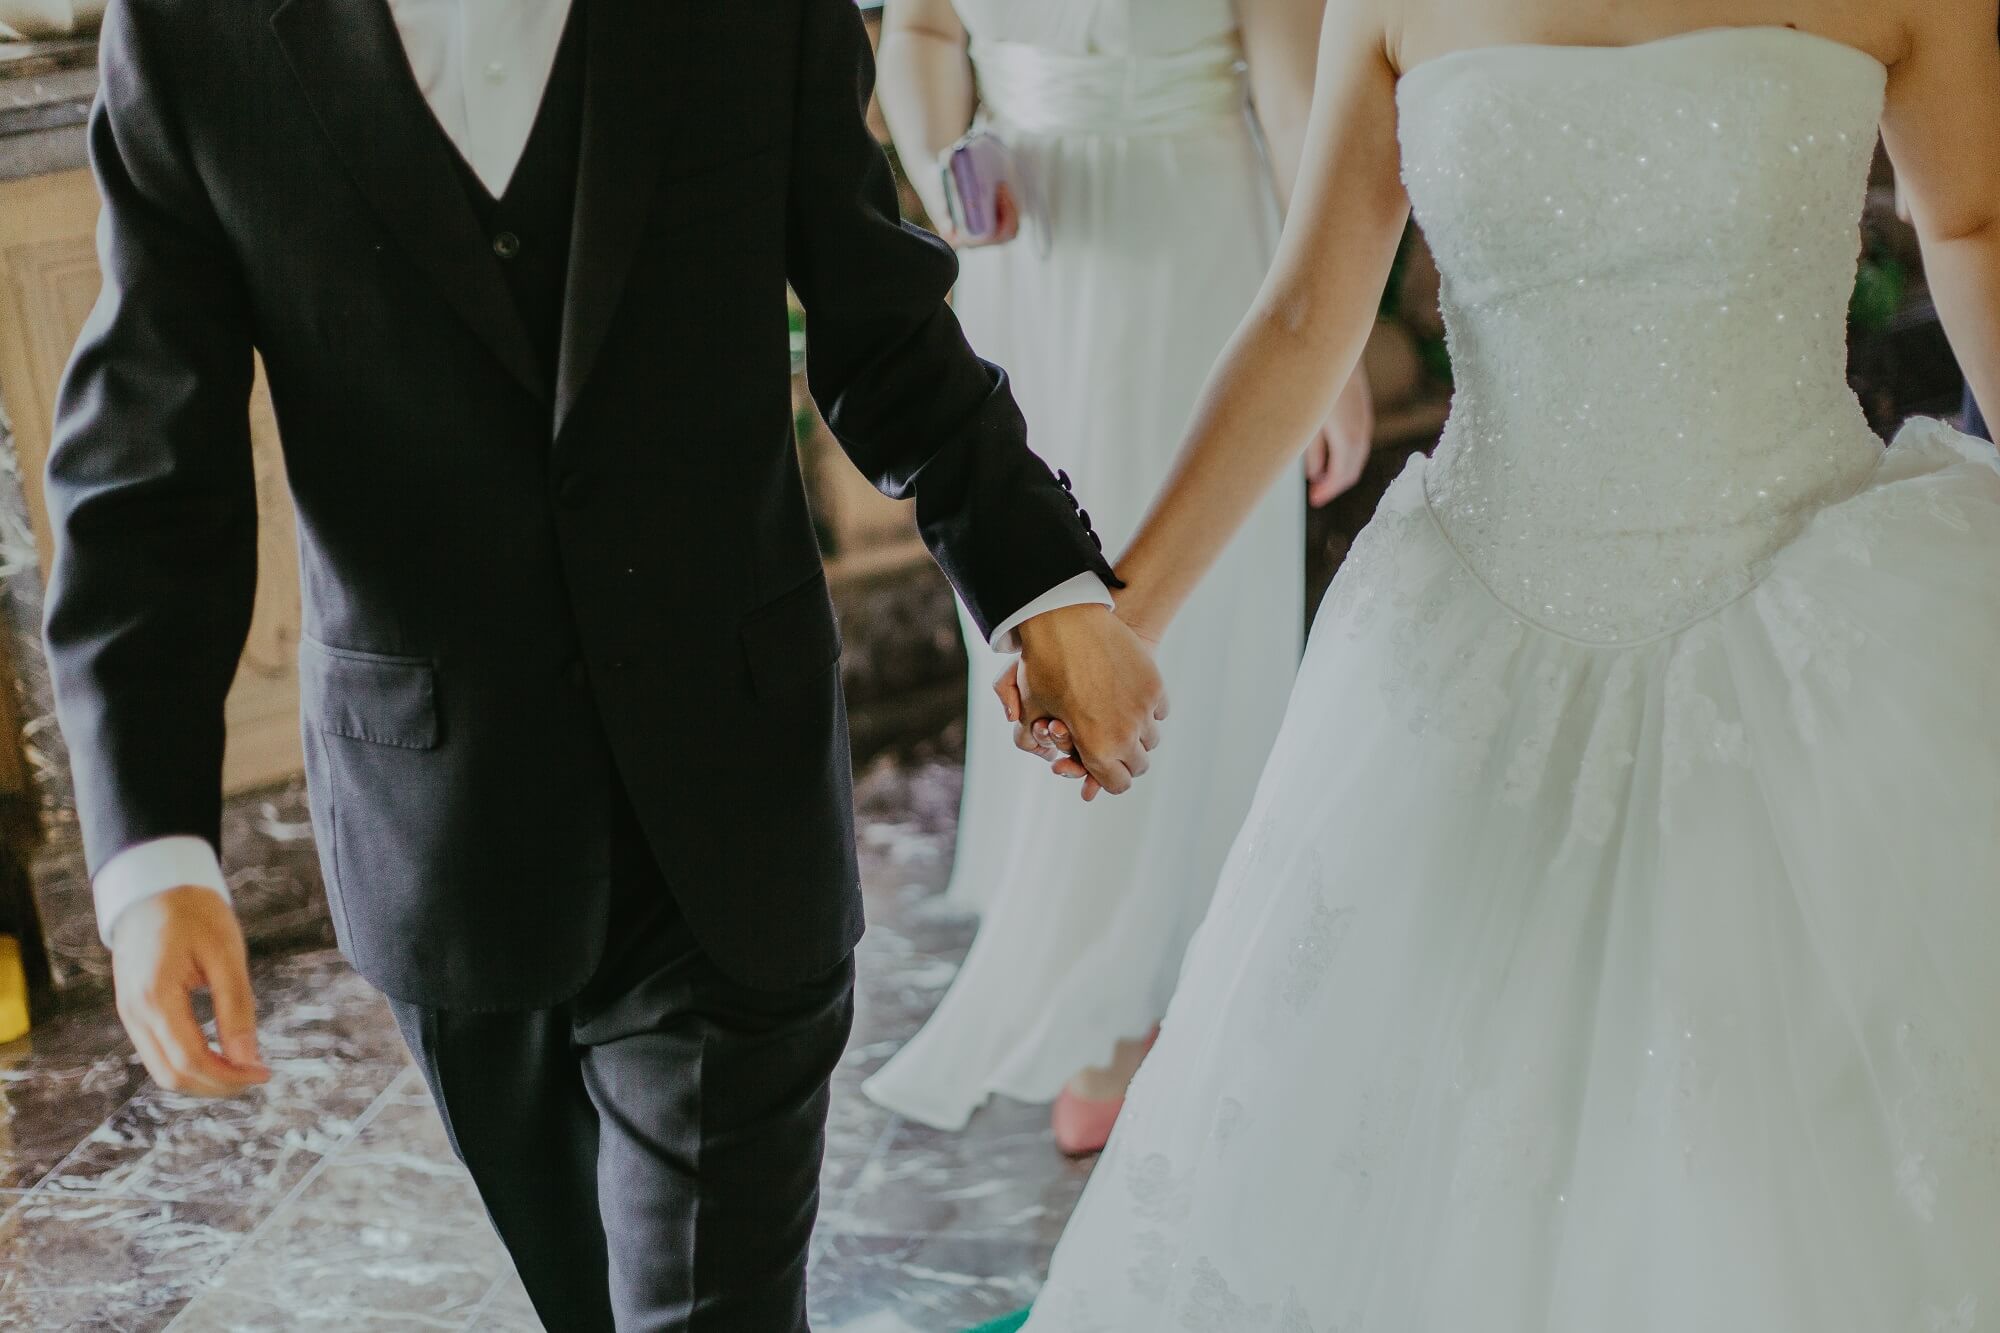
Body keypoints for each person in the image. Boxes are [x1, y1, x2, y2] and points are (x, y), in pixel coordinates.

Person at [40, 1, 1168, 1328]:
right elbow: (149, 473)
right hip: (441, 832)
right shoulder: (194, 33)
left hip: (733, 809)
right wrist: (151, 856)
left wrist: (1043, 585)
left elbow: (882, 321)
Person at [1014, 0, 2000, 1326]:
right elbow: (1311, 306)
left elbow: (1972, 225)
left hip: (1813, 635)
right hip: (1471, 653)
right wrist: (1123, 611)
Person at [861, 0, 1373, 1155]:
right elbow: (924, 32)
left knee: (1181, 599)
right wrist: (948, 168)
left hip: (1192, 262)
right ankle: (1075, 950)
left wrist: (1328, 352)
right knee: (1034, 601)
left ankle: (1169, 969)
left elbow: (1294, 101)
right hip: (1020, 266)